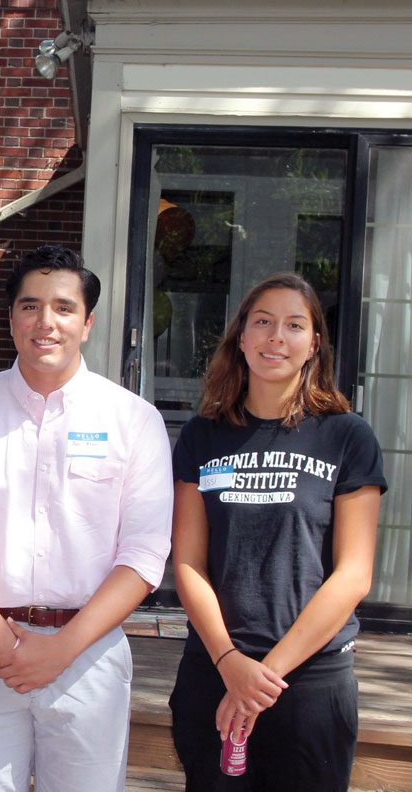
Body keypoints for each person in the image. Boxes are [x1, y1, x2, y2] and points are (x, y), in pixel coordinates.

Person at [0, 244, 174, 792]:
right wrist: (7, 647)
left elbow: (144, 554)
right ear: (11, 319)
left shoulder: (134, 421)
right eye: (30, 306)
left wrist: (62, 647)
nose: (45, 322)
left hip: (89, 652)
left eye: (63, 307)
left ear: (87, 322)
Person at [169, 273, 385, 791]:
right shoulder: (203, 435)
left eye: (294, 325)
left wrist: (261, 679)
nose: (275, 337)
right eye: (262, 322)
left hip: (309, 682)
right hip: (215, 671)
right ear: (240, 337)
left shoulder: (347, 436)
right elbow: (188, 564)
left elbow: (354, 575)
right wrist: (229, 662)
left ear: (313, 344)